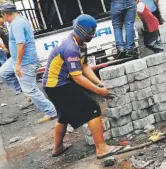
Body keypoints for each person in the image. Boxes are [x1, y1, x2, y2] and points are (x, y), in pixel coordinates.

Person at [42, 14, 123, 158]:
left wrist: (99, 83)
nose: (93, 34)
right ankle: (101, 148)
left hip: (56, 84)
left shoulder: (79, 44)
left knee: (64, 116)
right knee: (92, 108)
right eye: (91, 31)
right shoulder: (71, 48)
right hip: (57, 86)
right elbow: (77, 77)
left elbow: (84, 66)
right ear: (83, 30)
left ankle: (58, 148)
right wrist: (99, 91)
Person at [0, 2, 57, 123]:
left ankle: (51, 111)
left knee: (31, 90)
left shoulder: (17, 24)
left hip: (25, 61)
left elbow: (21, 44)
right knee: (1, 73)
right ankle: (24, 91)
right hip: (15, 59)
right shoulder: (18, 21)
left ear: (5, 14)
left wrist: (18, 64)